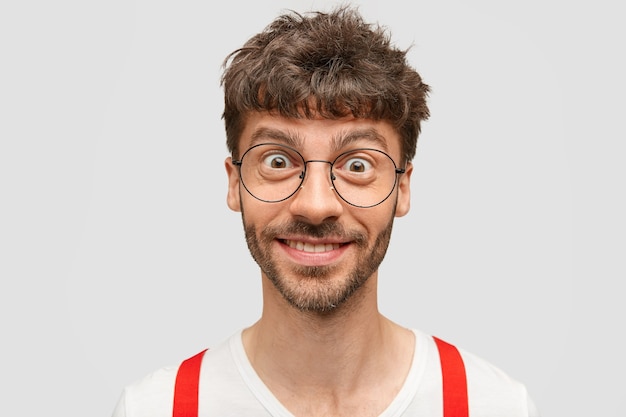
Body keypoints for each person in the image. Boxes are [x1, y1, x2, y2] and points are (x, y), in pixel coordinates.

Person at [111, 5, 540, 417]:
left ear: (402, 188)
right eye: (277, 161)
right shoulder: (156, 409)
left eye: (357, 165)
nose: (316, 206)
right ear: (234, 183)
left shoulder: (494, 407)